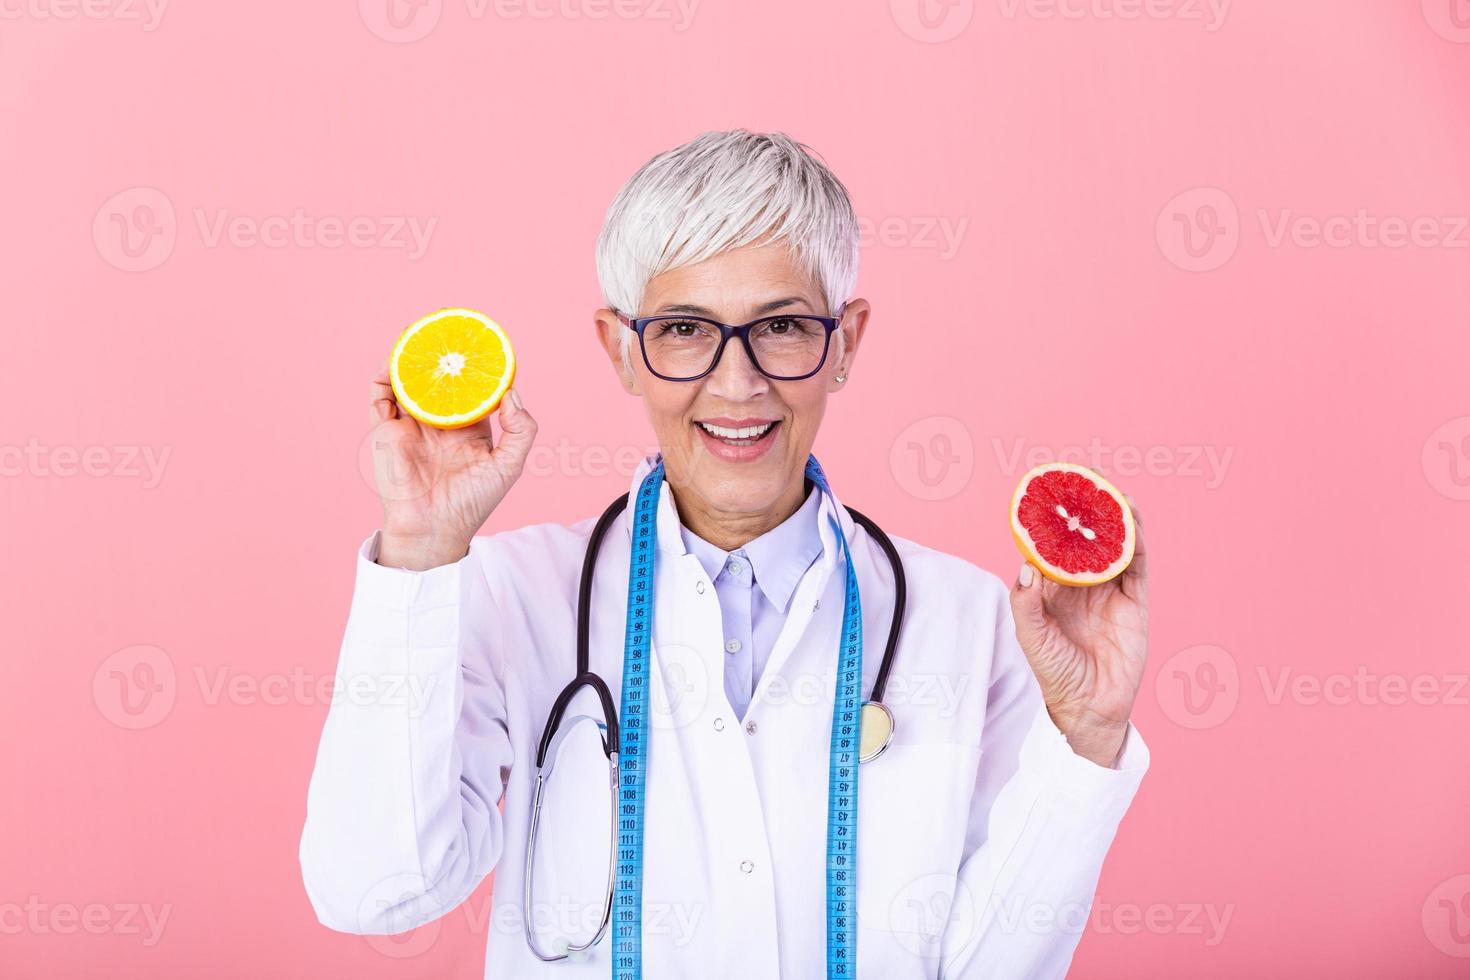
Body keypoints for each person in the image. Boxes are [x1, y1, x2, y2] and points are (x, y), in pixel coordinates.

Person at [299, 129, 1151, 979]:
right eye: (683, 329)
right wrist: (416, 553)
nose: (736, 383)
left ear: (846, 341)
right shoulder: (508, 595)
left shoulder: (970, 621)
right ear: (623, 351)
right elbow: (374, 889)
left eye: (780, 326)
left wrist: (1085, 737)